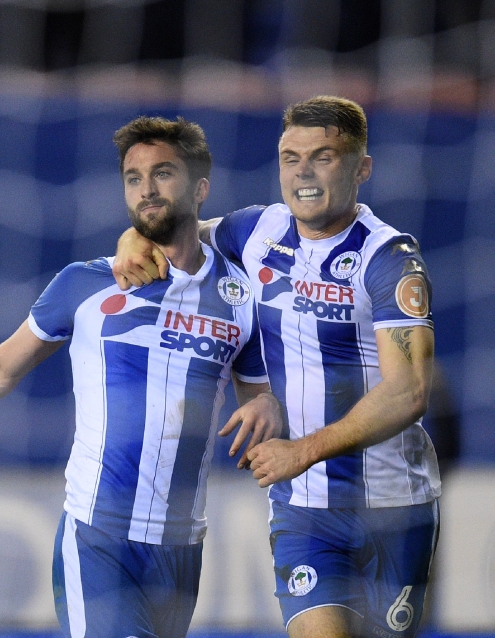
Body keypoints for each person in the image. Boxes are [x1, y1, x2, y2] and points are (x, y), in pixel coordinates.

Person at [0, 117, 283, 638]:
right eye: (134, 178)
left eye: (163, 173)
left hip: (183, 548)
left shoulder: (240, 296)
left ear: (201, 188)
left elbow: (257, 401)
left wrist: (268, 407)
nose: (146, 189)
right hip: (99, 538)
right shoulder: (84, 283)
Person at [112, 96, 440, 638]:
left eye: (323, 157)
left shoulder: (390, 258)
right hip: (303, 510)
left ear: (362, 169)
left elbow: (408, 393)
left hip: (394, 505)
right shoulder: (257, 231)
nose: (303, 173)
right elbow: (170, 229)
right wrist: (131, 238)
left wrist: (301, 450)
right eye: (290, 158)